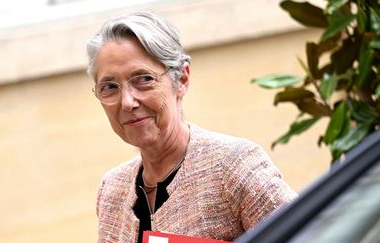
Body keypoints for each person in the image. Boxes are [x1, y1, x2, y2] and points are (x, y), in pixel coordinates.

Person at [86, 11, 297, 243]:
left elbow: (308, 234)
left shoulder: (232, 166)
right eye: (109, 87)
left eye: (144, 79)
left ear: (182, 79)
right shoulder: (112, 191)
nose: (127, 102)